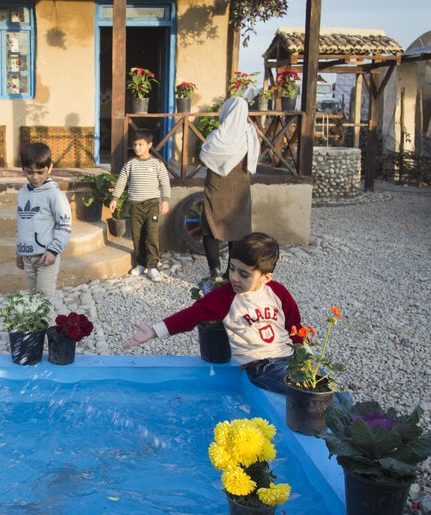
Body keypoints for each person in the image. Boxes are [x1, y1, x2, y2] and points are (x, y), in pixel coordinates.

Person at [124, 232, 302, 393]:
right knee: (303, 388)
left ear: (266, 277)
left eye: (244, 274)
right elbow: (192, 315)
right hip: (261, 365)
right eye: (232, 268)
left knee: (320, 383)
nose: (234, 277)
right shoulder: (225, 296)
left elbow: (294, 324)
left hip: (289, 357)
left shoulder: (277, 291)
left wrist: (302, 352)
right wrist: (154, 331)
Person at [198, 96, 261, 279]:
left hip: (216, 185)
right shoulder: (249, 134)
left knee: (210, 225)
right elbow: (254, 157)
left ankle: (214, 269)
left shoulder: (219, 135)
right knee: (238, 229)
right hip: (240, 185)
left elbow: (204, 154)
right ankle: (231, 271)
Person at [108, 129, 171, 282]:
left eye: (141, 145)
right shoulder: (130, 164)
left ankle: (153, 266)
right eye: (135, 145)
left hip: (152, 204)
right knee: (137, 235)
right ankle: (141, 264)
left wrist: (166, 200)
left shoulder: (157, 164)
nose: (137, 148)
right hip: (135, 205)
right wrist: (115, 198)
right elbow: (121, 181)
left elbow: (165, 183)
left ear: (149, 145)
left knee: (152, 235)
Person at [15, 142, 73, 299]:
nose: (35, 177)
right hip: (27, 256)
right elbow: (21, 224)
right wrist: (19, 250)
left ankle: (46, 324)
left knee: (44, 301)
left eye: (40, 172)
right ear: (23, 169)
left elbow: (64, 225)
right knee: (34, 298)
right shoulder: (21, 194)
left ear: (50, 168)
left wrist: (53, 250)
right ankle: (38, 324)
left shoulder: (55, 195)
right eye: (30, 172)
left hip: (46, 256)